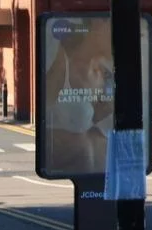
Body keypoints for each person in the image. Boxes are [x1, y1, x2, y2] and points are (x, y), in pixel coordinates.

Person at [44, 16, 115, 176]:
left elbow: (105, 120)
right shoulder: (60, 62)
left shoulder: (104, 72)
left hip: (100, 170)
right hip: (66, 167)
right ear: (98, 24)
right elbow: (45, 112)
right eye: (114, 29)